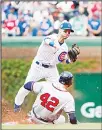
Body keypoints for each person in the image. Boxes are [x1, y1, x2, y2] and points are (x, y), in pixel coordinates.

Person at [14, 20, 80, 111]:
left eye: (69, 32)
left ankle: (51, 112)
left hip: (51, 69)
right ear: (60, 30)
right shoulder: (52, 37)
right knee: (26, 87)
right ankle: (17, 106)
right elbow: (46, 40)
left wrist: (71, 60)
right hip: (38, 67)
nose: (67, 33)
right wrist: (54, 45)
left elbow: (62, 59)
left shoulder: (64, 47)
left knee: (58, 89)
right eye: (65, 31)